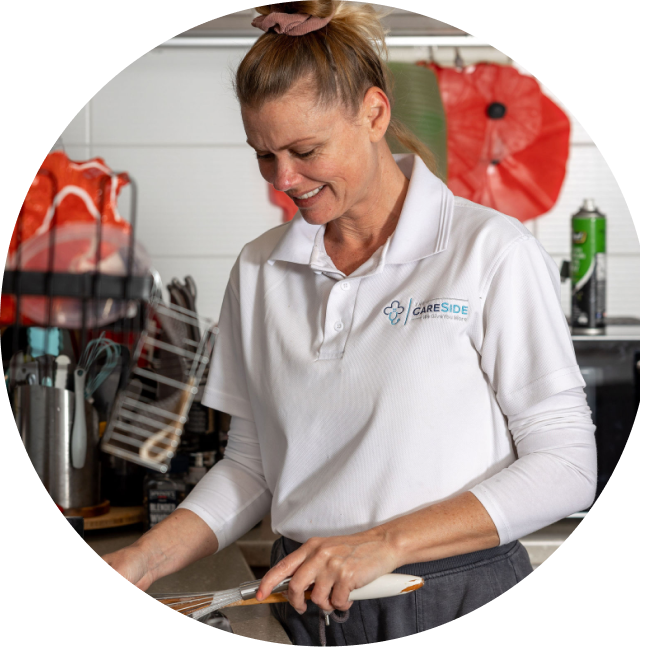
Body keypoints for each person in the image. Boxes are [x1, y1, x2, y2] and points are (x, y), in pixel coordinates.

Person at [102, 2, 597, 642]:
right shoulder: (259, 269)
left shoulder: (489, 251)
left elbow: (567, 464)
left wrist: (381, 544)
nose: (284, 179)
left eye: (306, 150)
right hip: (304, 602)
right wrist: (143, 560)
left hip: (451, 593)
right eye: (263, 155)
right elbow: (252, 467)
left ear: (374, 113)